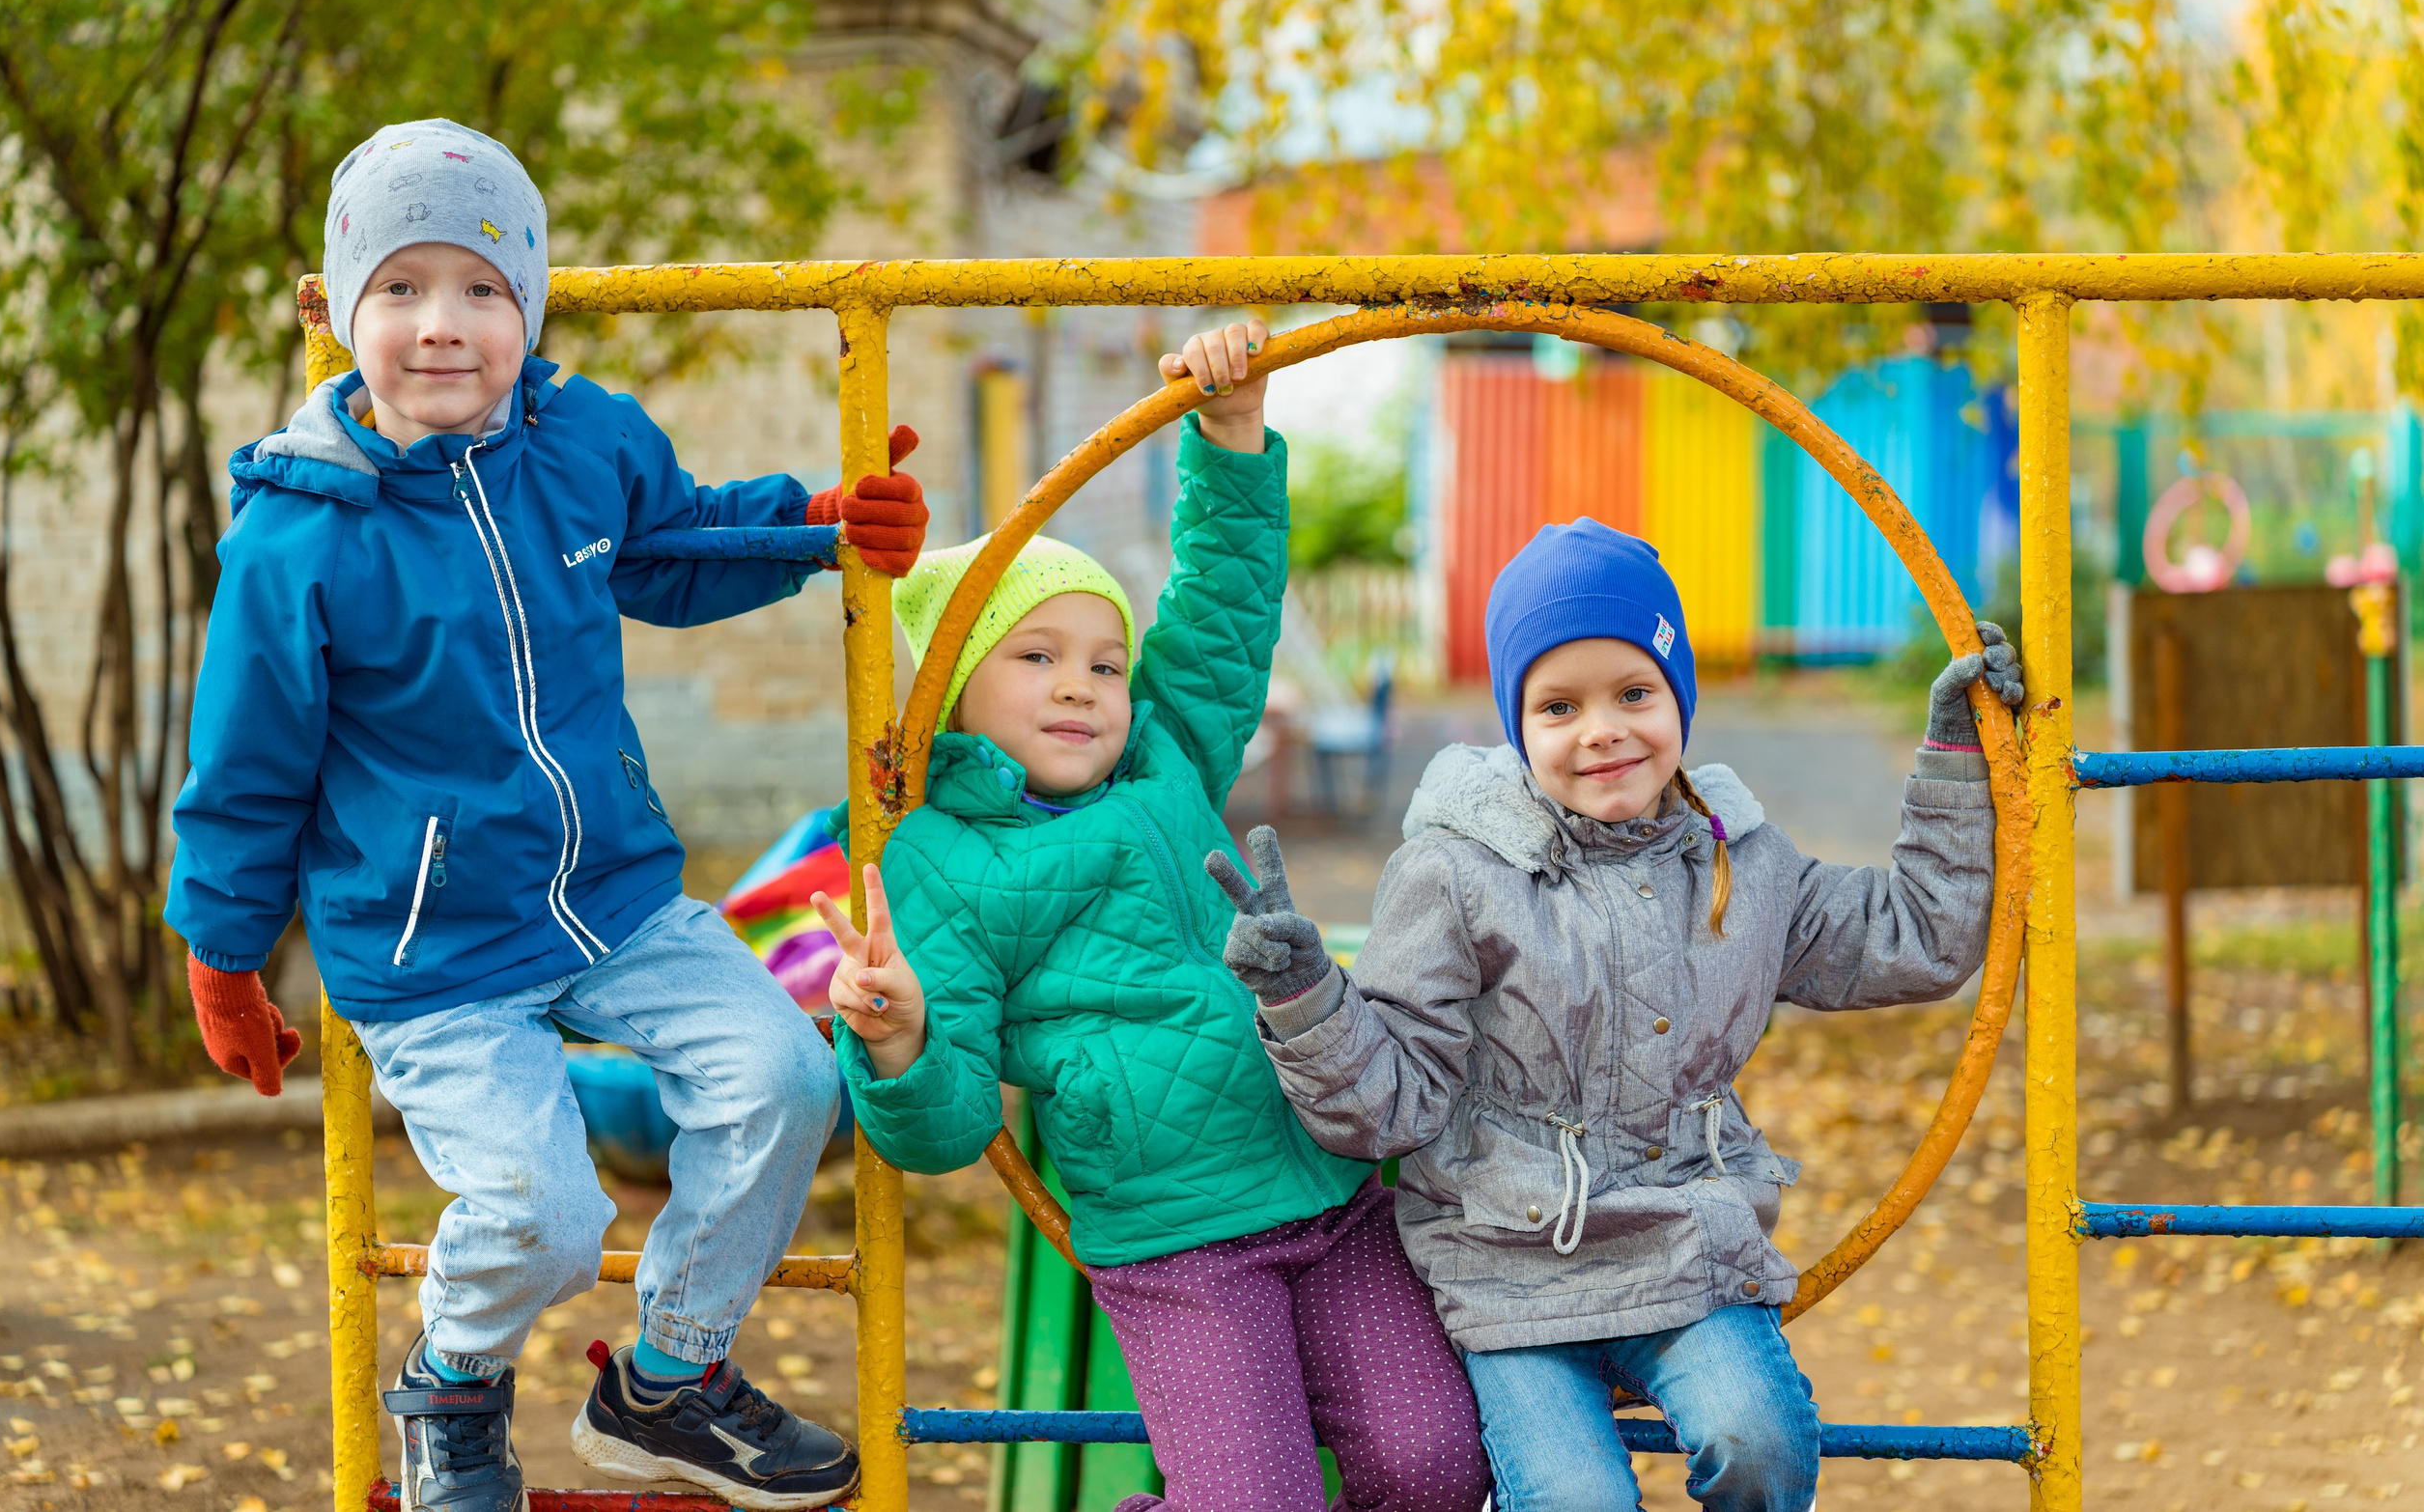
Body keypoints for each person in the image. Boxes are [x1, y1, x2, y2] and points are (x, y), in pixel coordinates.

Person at [164, 117, 930, 1512]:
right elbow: (245, 762)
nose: (442, 325)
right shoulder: (302, 532)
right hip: (431, 954)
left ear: (531, 304)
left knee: (788, 1077)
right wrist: (223, 958)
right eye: (400, 289)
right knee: (547, 1211)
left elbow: (673, 546)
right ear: (341, 313)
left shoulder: (585, 443)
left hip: (617, 897)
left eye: (481, 287)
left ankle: (671, 1377)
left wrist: (820, 528)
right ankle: (453, 1389)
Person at [810, 318, 1490, 1512]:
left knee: (1432, 1462)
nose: (1080, 683)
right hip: (1178, 1241)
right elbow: (948, 1125)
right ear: (954, 691)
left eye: (1104, 662)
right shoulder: (936, 865)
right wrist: (900, 1042)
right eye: (1036, 657)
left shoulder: (1169, 757)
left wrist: (1229, 432)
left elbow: (1224, 613)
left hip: (1334, 1188)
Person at [1207, 518, 2019, 1512]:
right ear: (1516, 722)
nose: (1603, 730)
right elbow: (1388, 1110)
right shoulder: (1455, 874)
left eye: (1635, 693)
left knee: (1755, 1438)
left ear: (1678, 698)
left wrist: (1955, 754)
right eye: (1558, 706)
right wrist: (1305, 998)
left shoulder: (1739, 860)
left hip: (1683, 1246)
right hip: (1508, 1262)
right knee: (1574, 1500)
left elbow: (1917, 937)